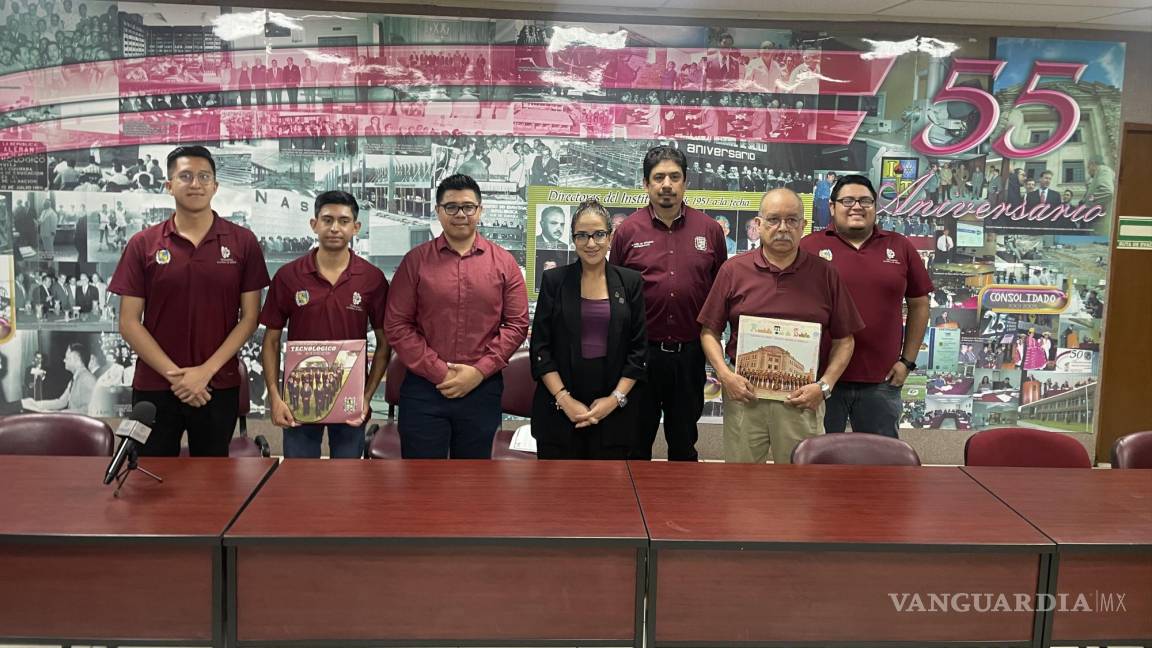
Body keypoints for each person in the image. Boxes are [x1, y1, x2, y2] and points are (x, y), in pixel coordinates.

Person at [110, 145, 270, 456]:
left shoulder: (242, 242)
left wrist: (204, 372)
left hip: (216, 386)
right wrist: (178, 376)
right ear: (168, 185)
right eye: (185, 176)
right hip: (155, 385)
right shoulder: (143, 244)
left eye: (203, 176)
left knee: (211, 486)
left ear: (215, 186)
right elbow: (129, 322)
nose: (195, 183)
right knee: (150, 478)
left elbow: (250, 318)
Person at [699, 188, 863, 464]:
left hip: (802, 400)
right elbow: (709, 332)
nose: (783, 228)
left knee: (799, 488)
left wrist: (824, 387)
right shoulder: (733, 270)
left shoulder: (825, 274)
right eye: (774, 219)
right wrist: (726, 377)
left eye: (792, 220)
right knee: (741, 484)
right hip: (745, 398)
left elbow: (845, 340)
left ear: (804, 226)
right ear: (759, 224)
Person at [384, 174, 529, 459]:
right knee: (421, 482)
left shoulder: (505, 263)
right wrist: (439, 371)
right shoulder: (416, 262)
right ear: (438, 211)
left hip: (482, 389)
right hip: (424, 389)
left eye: (468, 207)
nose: (460, 214)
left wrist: (478, 372)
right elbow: (397, 325)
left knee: (473, 485)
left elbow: (517, 324)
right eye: (451, 207)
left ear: (480, 210)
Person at [611, 145, 727, 461]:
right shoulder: (627, 232)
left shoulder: (711, 230)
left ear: (685, 182)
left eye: (674, 177)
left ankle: (682, 509)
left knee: (684, 442)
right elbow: (615, 293)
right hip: (640, 355)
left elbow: (720, 293)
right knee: (635, 443)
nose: (667, 184)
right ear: (646, 183)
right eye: (658, 177)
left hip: (689, 356)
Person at [799, 175, 932, 438]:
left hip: (882, 381)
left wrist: (908, 362)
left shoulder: (900, 246)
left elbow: (919, 304)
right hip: (821, 381)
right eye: (847, 200)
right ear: (832, 207)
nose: (857, 207)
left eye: (865, 201)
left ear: (875, 207)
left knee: (880, 467)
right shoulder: (809, 246)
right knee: (816, 464)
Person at [260, 191, 390, 459]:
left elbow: (385, 342)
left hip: (350, 399)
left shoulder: (372, 279)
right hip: (299, 396)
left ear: (356, 227)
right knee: (300, 478)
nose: (334, 228)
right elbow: (271, 341)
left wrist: (366, 395)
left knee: (347, 480)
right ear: (314, 224)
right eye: (327, 219)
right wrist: (275, 396)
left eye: (343, 221)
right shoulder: (287, 276)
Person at [530, 199, 647, 459]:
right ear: (573, 239)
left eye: (598, 234)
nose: (591, 243)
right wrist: (564, 400)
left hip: (615, 410)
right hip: (559, 409)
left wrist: (614, 400)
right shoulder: (554, 281)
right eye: (582, 235)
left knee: (608, 496)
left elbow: (638, 351)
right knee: (557, 495)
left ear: (610, 236)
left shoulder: (630, 282)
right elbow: (540, 348)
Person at [21, 343, 96, 414]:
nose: (64, 360)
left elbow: (89, 409)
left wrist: (62, 413)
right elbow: (61, 402)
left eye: (67, 358)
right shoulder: (74, 379)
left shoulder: (87, 379)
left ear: (76, 359)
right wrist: (34, 404)